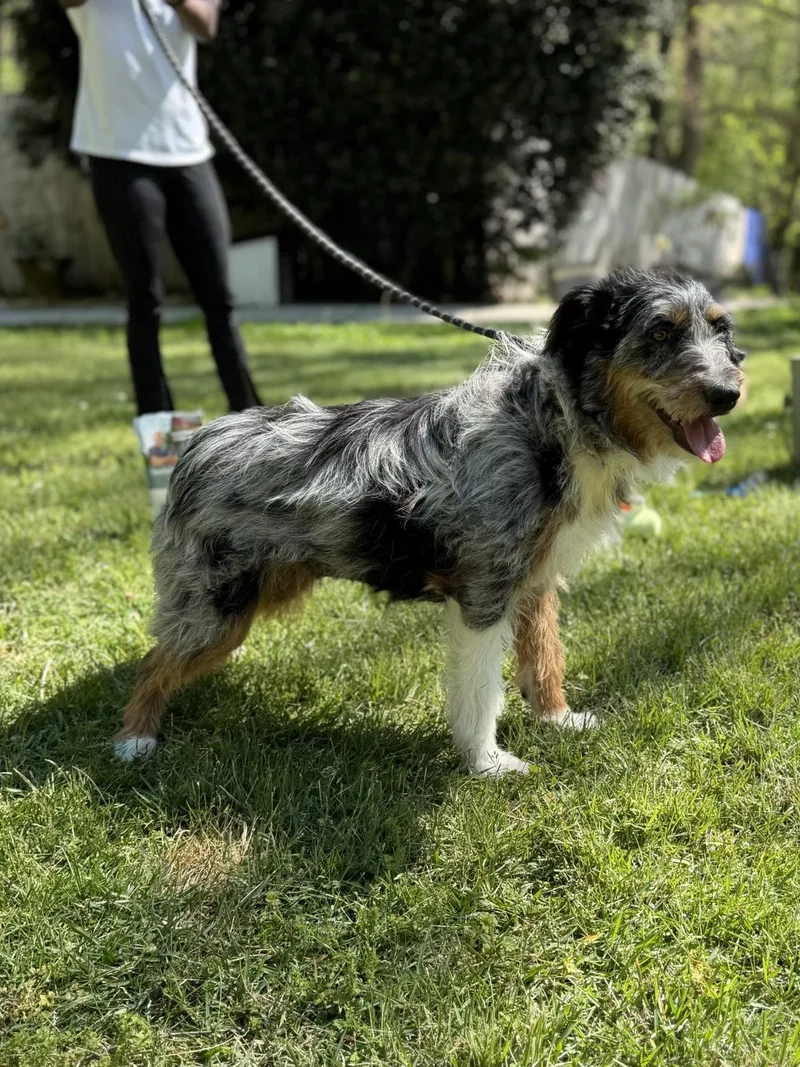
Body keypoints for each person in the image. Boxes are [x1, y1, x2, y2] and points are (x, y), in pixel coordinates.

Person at [58, 0, 262, 415]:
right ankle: (157, 428)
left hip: (189, 152)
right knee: (145, 300)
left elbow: (206, 24)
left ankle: (249, 419)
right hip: (118, 154)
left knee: (219, 299)